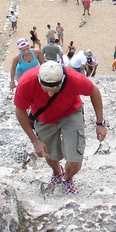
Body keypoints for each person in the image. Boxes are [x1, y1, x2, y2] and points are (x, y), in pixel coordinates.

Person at [14, 61, 108, 195]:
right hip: (44, 119)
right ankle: (57, 172)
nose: (50, 95)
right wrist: (35, 141)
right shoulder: (26, 83)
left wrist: (99, 123)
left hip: (71, 113)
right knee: (50, 153)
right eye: (46, 90)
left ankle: (67, 179)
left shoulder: (75, 79)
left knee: (75, 160)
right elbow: (20, 111)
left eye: (55, 90)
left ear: (63, 80)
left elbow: (94, 92)